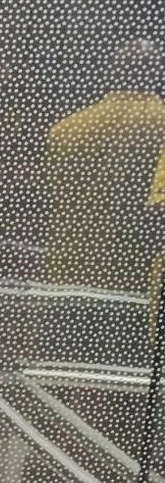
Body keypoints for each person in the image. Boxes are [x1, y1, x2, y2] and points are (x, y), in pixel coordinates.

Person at [45, 37, 165, 294]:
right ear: (157, 74)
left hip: (68, 272)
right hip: (134, 279)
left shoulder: (65, 131)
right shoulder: (159, 126)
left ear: (112, 72)